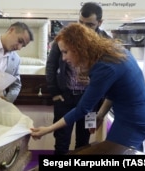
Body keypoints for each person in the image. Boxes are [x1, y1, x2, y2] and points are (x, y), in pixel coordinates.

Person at [32, 23, 145, 152]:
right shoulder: (111, 52)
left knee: (113, 154)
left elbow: (82, 109)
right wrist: (100, 115)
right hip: (133, 115)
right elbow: (114, 93)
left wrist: (47, 129)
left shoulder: (104, 66)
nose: (63, 58)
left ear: (79, 47)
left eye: (65, 52)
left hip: (135, 120)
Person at [46, 2, 111, 155]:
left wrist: (94, 82)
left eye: (89, 25)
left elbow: (109, 74)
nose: (83, 28)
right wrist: (54, 92)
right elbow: (51, 65)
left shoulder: (106, 42)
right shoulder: (66, 36)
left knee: (83, 143)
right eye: (80, 22)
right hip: (65, 97)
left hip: (90, 99)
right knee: (61, 141)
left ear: (99, 23)